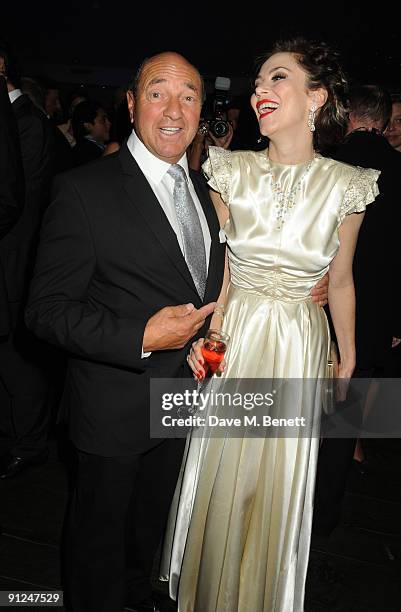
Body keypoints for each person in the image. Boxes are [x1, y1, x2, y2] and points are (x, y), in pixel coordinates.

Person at [25, 51, 327, 612]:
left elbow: (244, 267)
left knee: (148, 544)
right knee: (98, 555)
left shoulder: (210, 191)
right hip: (114, 410)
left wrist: (311, 282)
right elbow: (44, 311)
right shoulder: (83, 190)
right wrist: (141, 334)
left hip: (187, 403)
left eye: (189, 95)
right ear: (132, 103)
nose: (175, 108)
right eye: (159, 92)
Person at [160, 38, 380, 612]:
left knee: (274, 484)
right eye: (258, 81)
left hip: (301, 344)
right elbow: (224, 274)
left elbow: (341, 281)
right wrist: (208, 336)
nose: (260, 90)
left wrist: (348, 358)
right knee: (224, 473)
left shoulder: (348, 184)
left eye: (277, 78)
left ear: (316, 98)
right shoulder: (228, 171)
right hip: (239, 337)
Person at [313, 84, 401, 536]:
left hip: (318, 309)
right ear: (384, 124)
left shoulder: (325, 164)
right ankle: (324, 513)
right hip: (373, 319)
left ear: (348, 116)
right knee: (344, 420)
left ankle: (287, 506)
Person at [0, 41, 54, 480]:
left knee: (17, 354)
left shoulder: (27, 122)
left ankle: (30, 442)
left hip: (16, 258)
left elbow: (16, 201)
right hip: (11, 255)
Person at [71, 99, 111, 166]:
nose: (109, 123)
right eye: (103, 120)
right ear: (88, 125)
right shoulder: (86, 153)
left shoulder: (95, 148)